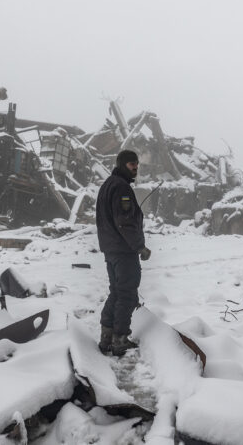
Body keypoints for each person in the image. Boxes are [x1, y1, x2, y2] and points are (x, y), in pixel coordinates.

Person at [96, 150, 151, 356]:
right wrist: (139, 247)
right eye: (131, 164)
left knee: (116, 292)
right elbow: (125, 222)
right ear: (121, 165)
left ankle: (106, 337)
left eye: (137, 164)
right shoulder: (121, 188)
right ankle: (120, 340)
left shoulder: (108, 185)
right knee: (127, 294)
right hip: (123, 250)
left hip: (111, 249)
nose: (135, 167)